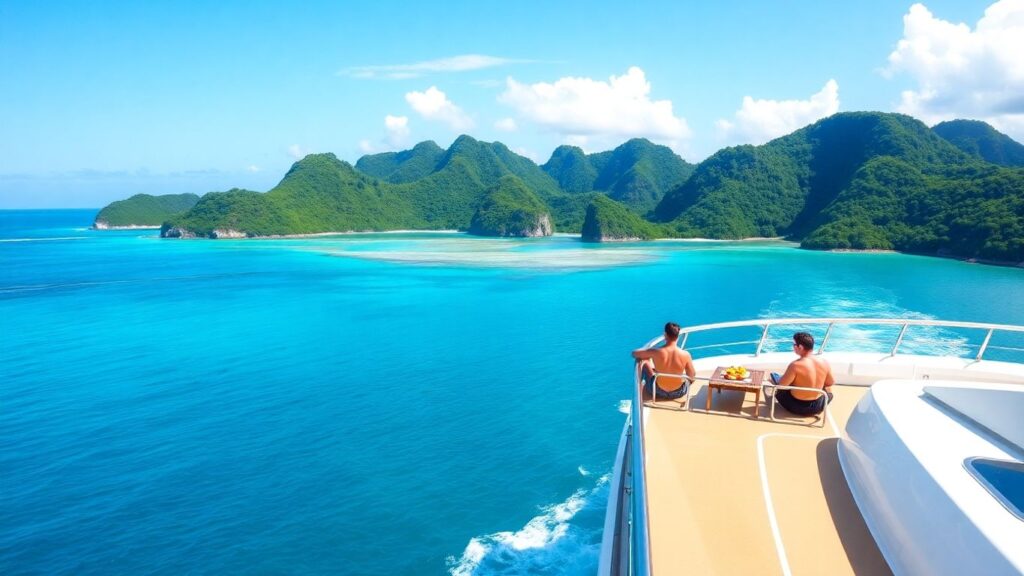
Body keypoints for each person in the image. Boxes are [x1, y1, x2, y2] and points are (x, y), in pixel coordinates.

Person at [771, 332, 834, 415]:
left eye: (794, 344)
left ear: (800, 347)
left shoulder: (795, 365)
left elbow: (781, 386)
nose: (793, 347)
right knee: (829, 390)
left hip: (797, 407)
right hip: (818, 406)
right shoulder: (824, 362)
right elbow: (830, 383)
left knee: (775, 382)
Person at [632, 322, 696, 400]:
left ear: (665, 335)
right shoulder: (686, 355)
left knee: (645, 362)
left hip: (657, 391)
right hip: (678, 392)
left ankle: (639, 389)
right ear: (677, 336)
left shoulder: (655, 352)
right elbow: (692, 375)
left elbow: (634, 354)